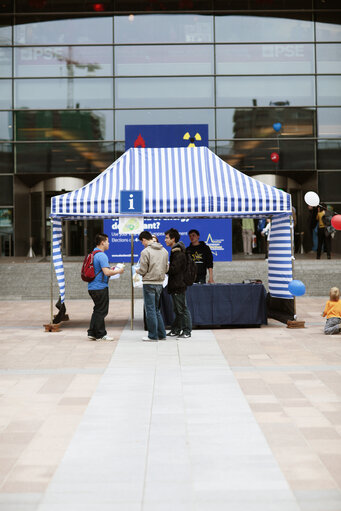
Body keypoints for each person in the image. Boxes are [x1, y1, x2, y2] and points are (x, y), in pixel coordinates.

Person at [87, 233, 124, 341]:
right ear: (102, 242)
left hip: (92, 286)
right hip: (100, 287)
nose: (109, 243)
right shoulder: (102, 255)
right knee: (102, 311)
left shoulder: (93, 253)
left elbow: (101, 269)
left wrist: (110, 268)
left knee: (97, 310)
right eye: (107, 241)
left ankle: (92, 332)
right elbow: (107, 272)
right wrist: (119, 271)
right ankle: (100, 334)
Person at [136, 230, 169, 342]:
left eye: (142, 242)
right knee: (156, 310)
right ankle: (162, 334)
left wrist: (138, 270)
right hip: (160, 283)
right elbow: (167, 268)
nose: (142, 244)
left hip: (149, 282)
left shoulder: (145, 252)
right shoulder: (164, 251)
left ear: (144, 239)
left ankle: (152, 335)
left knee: (150, 310)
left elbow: (143, 269)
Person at [165, 228, 192, 339]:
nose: (165, 240)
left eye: (167, 238)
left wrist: (164, 266)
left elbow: (174, 269)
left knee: (182, 309)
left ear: (173, 239)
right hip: (176, 284)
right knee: (177, 309)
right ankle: (176, 329)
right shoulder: (176, 251)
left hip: (178, 284)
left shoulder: (178, 252)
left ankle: (187, 331)